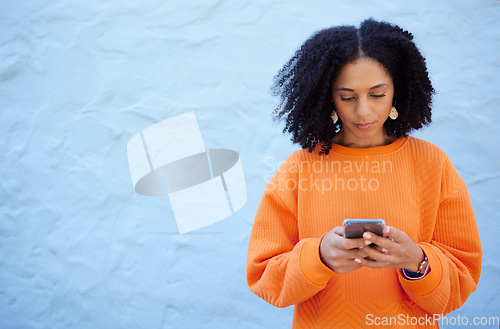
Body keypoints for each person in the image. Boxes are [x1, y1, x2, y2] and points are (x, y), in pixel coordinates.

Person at [246, 18, 482, 329]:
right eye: (347, 97)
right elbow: (262, 275)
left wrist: (417, 262)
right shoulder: (299, 167)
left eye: (377, 94)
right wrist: (318, 257)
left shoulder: (432, 163)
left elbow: (463, 277)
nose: (363, 112)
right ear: (328, 96)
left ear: (397, 91)